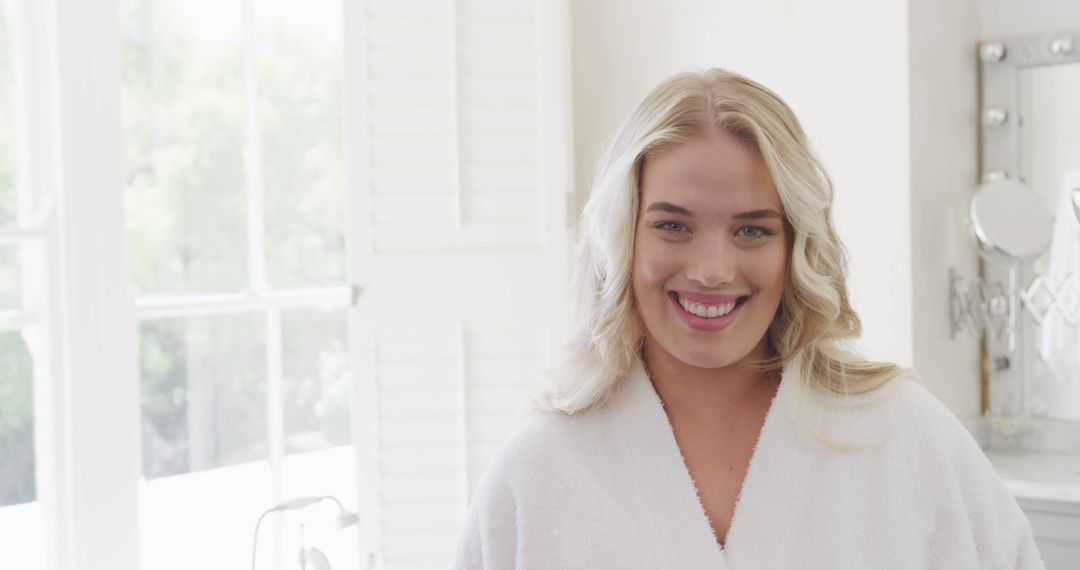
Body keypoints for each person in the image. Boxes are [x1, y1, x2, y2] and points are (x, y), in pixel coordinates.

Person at [453, 68, 1044, 569]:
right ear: (622, 236)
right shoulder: (539, 473)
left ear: (795, 247)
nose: (712, 269)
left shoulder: (907, 437)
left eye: (753, 229)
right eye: (672, 225)